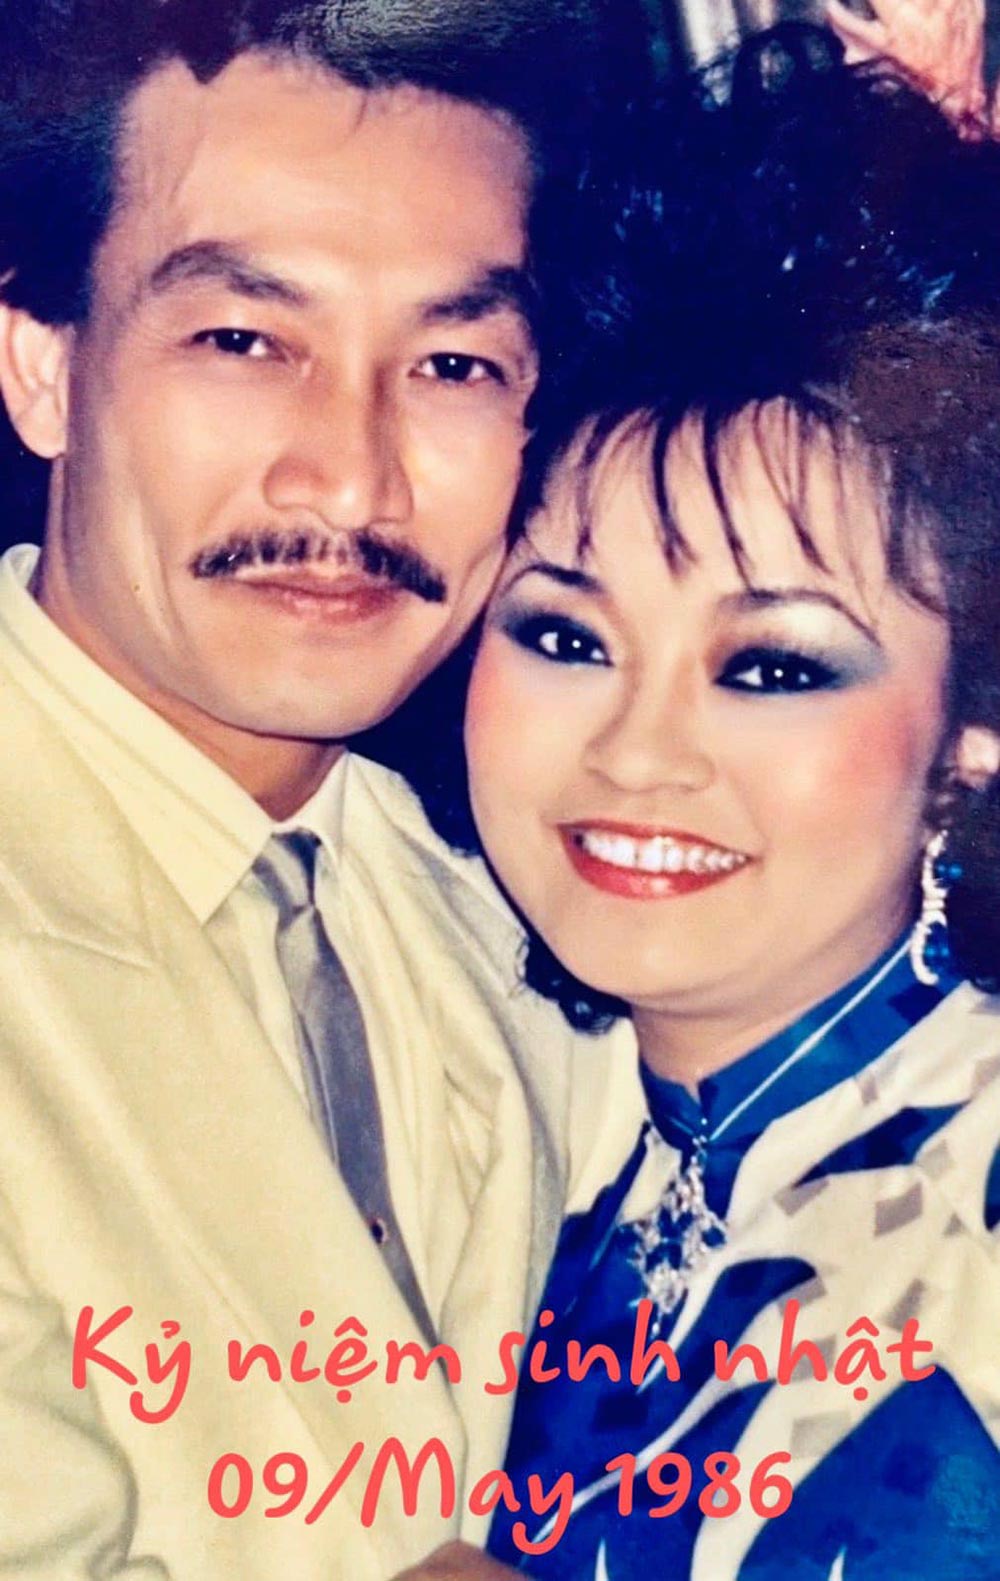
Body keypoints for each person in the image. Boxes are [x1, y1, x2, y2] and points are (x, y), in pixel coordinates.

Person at [0, 2, 650, 1576]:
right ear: (41, 364)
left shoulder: (500, 900)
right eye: (243, 340)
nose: (352, 479)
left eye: (452, 362)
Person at [397, 42, 1000, 1581]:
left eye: (772, 664)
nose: (637, 750)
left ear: (968, 736)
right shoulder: (535, 1112)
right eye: (565, 634)